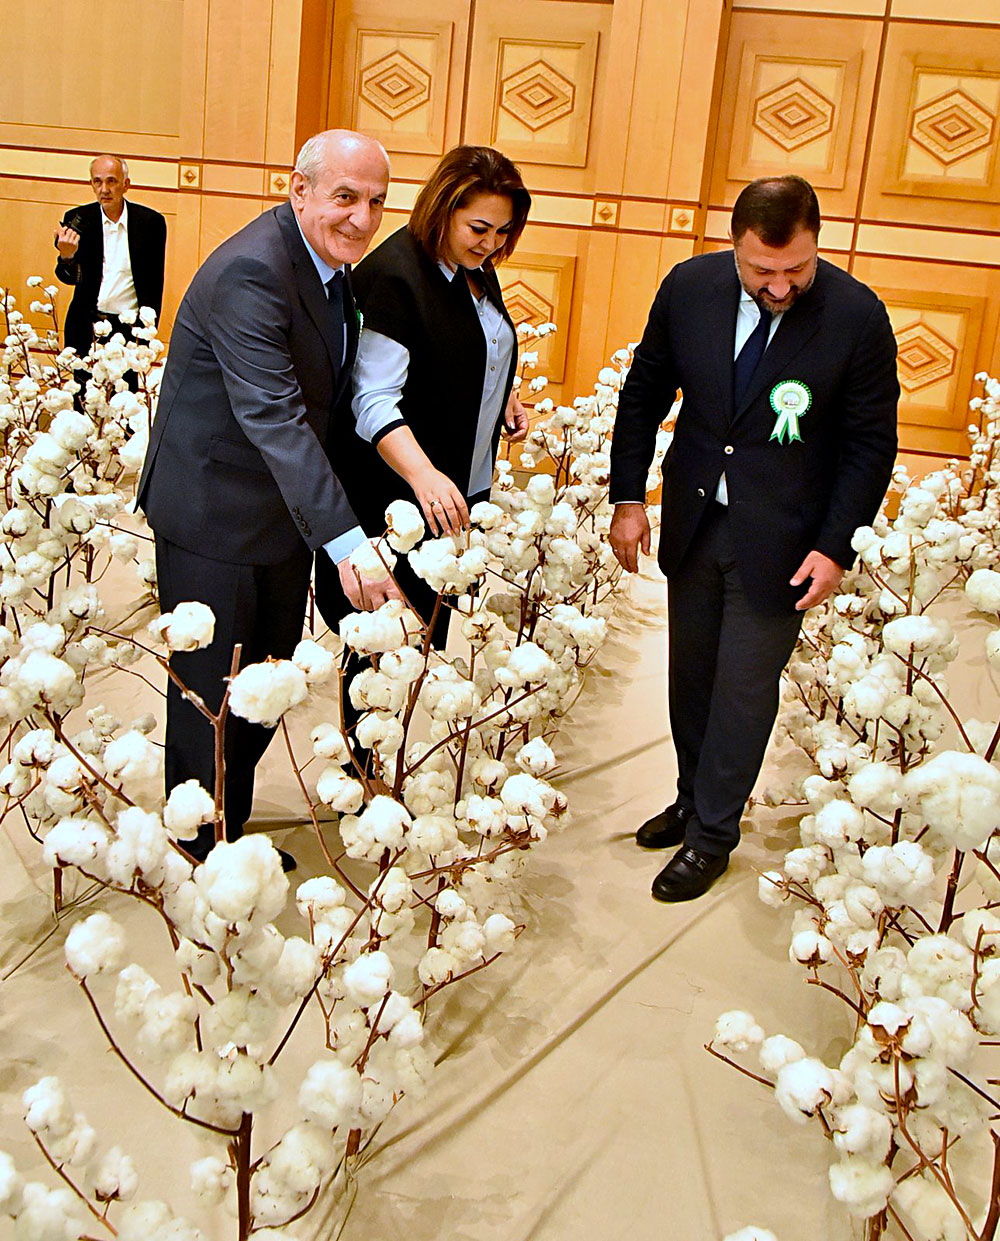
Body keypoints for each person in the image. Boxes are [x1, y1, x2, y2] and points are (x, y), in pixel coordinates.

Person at [609, 175, 898, 903]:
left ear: (816, 246)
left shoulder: (857, 316)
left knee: (742, 689)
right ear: (734, 247)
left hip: (787, 538)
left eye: (795, 269)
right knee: (692, 677)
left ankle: (713, 835)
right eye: (760, 271)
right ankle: (690, 796)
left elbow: (870, 444)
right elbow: (643, 393)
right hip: (699, 518)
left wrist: (837, 546)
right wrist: (627, 496)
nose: (778, 285)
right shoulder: (690, 287)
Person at [137, 129, 399, 869]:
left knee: (266, 679)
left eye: (376, 201)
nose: (362, 217)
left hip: (275, 511)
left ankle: (229, 830)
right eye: (345, 197)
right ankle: (201, 854)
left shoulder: (325, 263)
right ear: (300, 188)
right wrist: (349, 544)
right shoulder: (254, 270)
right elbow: (277, 417)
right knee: (210, 693)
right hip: (214, 509)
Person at [314, 143, 531, 654]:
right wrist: (423, 475)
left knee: (424, 644)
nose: (491, 244)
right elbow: (372, 402)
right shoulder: (397, 275)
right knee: (385, 657)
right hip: (397, 496)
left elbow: (469, 340)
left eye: (503, 232)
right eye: (479, 229)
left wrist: (501, 392)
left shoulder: (471, 265)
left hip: (454, 486)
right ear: (442, 208)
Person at [54, 155, 167, 358]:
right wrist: (67, 257)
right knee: (82, 389)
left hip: (130, 331)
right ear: (91, 184)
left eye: (111, 181)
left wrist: (148, 332)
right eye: (97, 181)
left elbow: (155, 283)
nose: (104, 189)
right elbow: (67, 278)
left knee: (126, 390)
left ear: (126, 185)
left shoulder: (151, 223)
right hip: (85, 327)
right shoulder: (78, 220)